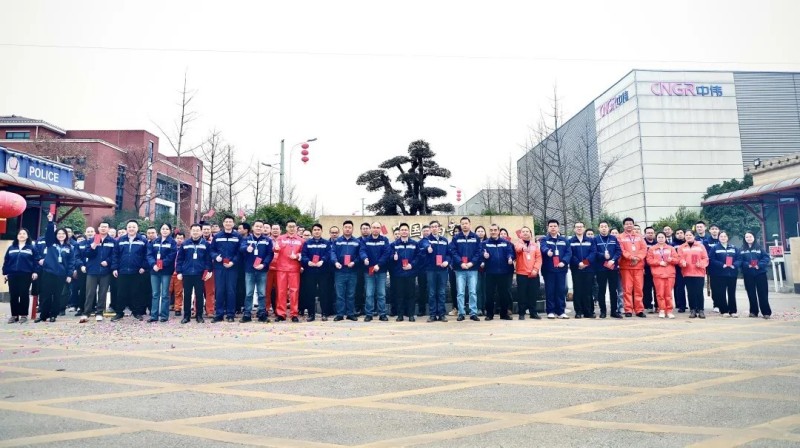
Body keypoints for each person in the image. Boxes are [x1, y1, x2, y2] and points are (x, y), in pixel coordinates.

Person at [111, 220, 149, 321]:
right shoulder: (120, 240)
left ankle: (136, 312)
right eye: (129, 227)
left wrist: (143, 267)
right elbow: (115, 255)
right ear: (126, 228)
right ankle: (119, 313)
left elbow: (146, 255)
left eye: (133, 227)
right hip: (122, 270)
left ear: (137, 228)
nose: (131, 229)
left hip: (137, 271)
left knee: (136, 292)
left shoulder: (143, 240)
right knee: (121, 293)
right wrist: (114, 268)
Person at [176, 224, 213, 323]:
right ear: (190, 231)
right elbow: (180, 259)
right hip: (187, 273)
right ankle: (186, 316)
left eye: (197, 230)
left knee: (199, 295)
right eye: (193, 230)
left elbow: (208, 260)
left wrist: (208, 270)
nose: (195, 232)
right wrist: (179, 271)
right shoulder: (185, 244)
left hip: (200, 274)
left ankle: (199, 316)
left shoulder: (206, 244)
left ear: (201, 232)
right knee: (187, 295)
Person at [240, 220, 273, 322]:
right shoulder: (247, 239)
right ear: (253, 227)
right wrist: (246, 249)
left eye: (260, 226)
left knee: (262, 293)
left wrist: (264, 264)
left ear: (263, 228)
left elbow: (270, 254)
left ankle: (262, 313)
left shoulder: (267, 240)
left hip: (262, 270)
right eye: (257, 226)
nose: (258, 228)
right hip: (249, 270)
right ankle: (247, 313)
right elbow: (241, 248)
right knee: (249, 293)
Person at [448, 217, 481, 322]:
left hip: (472, 269)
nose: (464, 225)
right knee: (460, 292)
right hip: (460, 269)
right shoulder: (456, 238)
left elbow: (478, 252)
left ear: (470, 224)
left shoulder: (475, 237)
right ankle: (461, 313)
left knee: (472, 292)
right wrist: (461, 263)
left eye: (466, 223)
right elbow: (453, 252)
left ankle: (473, 313)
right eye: (462, 224)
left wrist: (471, 263)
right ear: (460, 225)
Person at [210, 215, 241, 323]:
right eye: (226, 221)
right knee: (220, 290)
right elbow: (211, 250)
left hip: (232, 267)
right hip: (219, 267)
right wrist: (215, 257)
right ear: (223, 224)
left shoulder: (237, 236)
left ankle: (230, 314)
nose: (228, 223)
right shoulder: (217, 236)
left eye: (230, 221)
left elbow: (239, 252)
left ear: (233, 224)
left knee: (231, 291)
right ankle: (219, 314)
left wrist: (233, 262)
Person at [3, 227, 37, 323]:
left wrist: (35, 272)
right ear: (17, 236)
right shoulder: (11, 247)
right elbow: (6, 261)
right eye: (20, 234)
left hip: (26, 274)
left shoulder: (31, 248)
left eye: (24, 234)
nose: (22, 235)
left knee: (23, 294)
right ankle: (14, 315)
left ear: (27, 236)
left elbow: (35, 261)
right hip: (12, 274)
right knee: (13, 295)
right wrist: (5, 273)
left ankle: (23, 315)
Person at [481, 224, 515, 321]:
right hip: (490, 272)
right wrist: (484, 255)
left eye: (495, 230)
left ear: (499, 231)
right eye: (491, 230)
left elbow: (510, 252)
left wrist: (510, 258)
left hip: (504, 272)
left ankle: (504, 314)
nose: (493, 232)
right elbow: (480, 253)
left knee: (504, 294)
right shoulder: (485, 243)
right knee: (489, 294)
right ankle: (489, 314)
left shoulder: (506, 242)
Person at [273, 220, 304, 322]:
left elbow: (303, 253)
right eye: (289, 226)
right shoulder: (280, 238)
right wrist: (275, 248)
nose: (291, 228)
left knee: (294, 291)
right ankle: (281, 313)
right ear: (286, 227)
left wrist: (297, 256)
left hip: (294, 269)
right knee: (281, 291)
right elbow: (275, 250)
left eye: (293, 226)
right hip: (281, 268)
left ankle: (294, 313)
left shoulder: (301, 240)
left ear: (296, 228)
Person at [301, 223, 333, 321]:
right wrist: (308, 262)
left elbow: (328, 254)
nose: (316, 231)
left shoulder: (326, 243)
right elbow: (303, 255)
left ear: (321, 231)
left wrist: (322, 261)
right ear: (312, 231)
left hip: (323, 271)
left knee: (324, 292)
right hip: (310, 271)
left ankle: (324, 313)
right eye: (315, 230)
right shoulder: (307, 243)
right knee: (310, 293)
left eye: (318, 230)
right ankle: (311, 314)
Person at [540, 219, 571, 319]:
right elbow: (543, 248)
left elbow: (568, 252)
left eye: (555, 226)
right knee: (550, 291)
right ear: (548, 228)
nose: (553, 228)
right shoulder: (544, 239)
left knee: (561, 290)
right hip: (549, 270)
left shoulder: (564, 240)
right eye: (551, 226)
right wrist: (547, 252)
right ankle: (550, 311)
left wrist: (564, 262)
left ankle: (561, 311)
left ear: (558, 228)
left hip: (561, 269)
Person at [390, 223, 421, 322]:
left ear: (408, 231)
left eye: (406, 230)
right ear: (399, 232)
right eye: (402, 230)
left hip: (410, 273)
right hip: (398, 274)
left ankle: (411, 315)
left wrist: (411, 265)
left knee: (411, 295)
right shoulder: (394, 244)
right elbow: (389, 256)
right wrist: (393, 257)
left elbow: (418, 257)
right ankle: (400, 315)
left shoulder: (414, 244)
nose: (404, 231)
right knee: (399, 295)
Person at [360, 221, 390, 322]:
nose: (375, 229)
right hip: (369, 271)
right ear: (371, 229)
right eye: (374, 227)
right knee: (369, 293)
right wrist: (364, 258)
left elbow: (386, 253)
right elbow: (362, 251)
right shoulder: (365, 240)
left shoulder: (384, 240)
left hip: (381, 271)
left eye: (377, 227)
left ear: (380, 229)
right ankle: (369, 314)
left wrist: (379, 264)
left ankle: (382, 314)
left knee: (381, 293)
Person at [331, 220, 361, 321]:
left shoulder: (357, 242)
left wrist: (354, 262)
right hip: (340, 271)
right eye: (346, 227)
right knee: (340, 294)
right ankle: (340, 314)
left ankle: (350, 313)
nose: (348, 229)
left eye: (349, 227)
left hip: (352, 271)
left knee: (351, 293)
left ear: (352, 229)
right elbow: (332, 253)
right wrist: (335, 262)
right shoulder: (337, 241)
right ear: (343, 228)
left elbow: (360, 255)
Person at [147, 223, 177, 323]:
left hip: (166, 271)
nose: (164, 230)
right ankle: (154, 315)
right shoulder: (154, 241)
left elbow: (171, 256)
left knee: (165, 294)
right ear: (160, 230)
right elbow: (149, 254)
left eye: (167, 229)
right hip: (154, 270)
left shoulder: (172, 242)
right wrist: (153, 264)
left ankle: (164, 315)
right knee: (155, 293)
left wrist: (162, 264)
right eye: (163, 228)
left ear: (170, 231)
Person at [421, 220, 450, 322]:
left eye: (436, 226)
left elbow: (448, 253)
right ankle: (432, 314)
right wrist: (427, 249)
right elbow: (424, 247)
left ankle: (442, 314)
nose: (434, 228)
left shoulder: (444, 240)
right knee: (432, 292)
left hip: (443, 270)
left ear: (439, 228)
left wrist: (447, 261)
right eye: (432, 226)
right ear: (430, 228)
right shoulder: (427, 240)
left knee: (442, 292)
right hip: (431, 270)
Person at [618, 217, 647, 318]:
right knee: (627, 289)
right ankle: (628, 309)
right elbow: (621, 250)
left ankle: (639, 310)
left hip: (638, 266)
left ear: (633, 225)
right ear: (623, 226)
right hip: (626, 267)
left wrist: (638, 258)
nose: (629, 225)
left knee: (639, 289)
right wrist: (631, 257)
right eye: (627, 224)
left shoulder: (639, 237)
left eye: (631, 223)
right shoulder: (620, 237)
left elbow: (644, 249)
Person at [646, 232, 679, 319]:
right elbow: (649, 260)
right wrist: (659, 262)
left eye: (662, 237)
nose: (661, 239)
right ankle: (662, 310)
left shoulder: (671, 248)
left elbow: (677, 260)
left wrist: (671, 259)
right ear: (656, 238)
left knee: (668, 293)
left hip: (669, 273)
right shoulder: (652, 249)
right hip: (658, 273)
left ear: (665, 238)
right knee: (660, 293)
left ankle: (669, 310)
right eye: (659, 237)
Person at [739, 232, 771, 319]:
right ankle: (753, 311)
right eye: (746, 237)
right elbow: (740, 260)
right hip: (748, 274)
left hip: (760, 273)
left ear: (754, 237)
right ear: (744, 239)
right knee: (751, 293)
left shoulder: (760, 248)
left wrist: (759, 265)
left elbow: (766, 258)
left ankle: (766, 312)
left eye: (750, 236)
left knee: (763, 293)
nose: (748, 238)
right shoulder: (741, 249)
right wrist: (747, 265)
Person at [677, 230, 709, 319]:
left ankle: (701, 309)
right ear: (684, 237)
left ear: (694, 236)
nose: (688, 236)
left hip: (699, 273)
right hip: (687, 272)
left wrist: (701, 264)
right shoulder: (681, 247)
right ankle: (693, 310)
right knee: (690, 292)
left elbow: (705, 258)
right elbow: (679, 258)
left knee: (699, 292)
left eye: (690, 235)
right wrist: (682, 263)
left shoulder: (700, 246)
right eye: (686, 235)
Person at [568, 221, 597, 319]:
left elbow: (593, 253)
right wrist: (578, 263)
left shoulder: (590, 240)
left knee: (588, 290)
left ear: (584, 228)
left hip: (589, 269)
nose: (579, 228)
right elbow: (570, 254)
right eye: (577, 227)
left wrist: (585, 263)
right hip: (576, 269)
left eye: (581, 226)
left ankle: (589, 311)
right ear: (574, 229)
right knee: (578, 290)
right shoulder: (570, 241)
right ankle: (578, 311)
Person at [594, 221, 622, 319]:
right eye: (601, 226)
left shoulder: (613, 238)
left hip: (612, 267)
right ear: (599, 228)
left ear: (608, 228)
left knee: (613, 290)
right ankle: (603, 311)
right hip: (600, 268)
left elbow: (618, 251)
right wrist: (603, 255)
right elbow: (594, 252)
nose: (604, 228)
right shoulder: (595, 239)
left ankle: (614, 311)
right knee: (601, 290)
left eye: (605, 226)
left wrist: (613, 259)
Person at [709, 231, 739, 317]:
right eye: (721, 236)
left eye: (725, 236)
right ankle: (724, 311)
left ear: (727, 237)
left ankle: (733, 311)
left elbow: (739, 258)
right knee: (721, 292)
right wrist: (722, 265)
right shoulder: (715, 248)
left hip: (732, 274)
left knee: (732, 293)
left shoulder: (733, 247)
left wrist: (734, 265)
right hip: (720, 274)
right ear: (718, 238)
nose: (723, 238)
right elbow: (711, 259)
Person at [514, 226, 542, 320]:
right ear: (520, 234)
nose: (525, 233)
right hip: (522, 273)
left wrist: (535, 269)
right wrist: (523, 248)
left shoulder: (535, 245)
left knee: (533, 294)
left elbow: (538, 258)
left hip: (533, 273)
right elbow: (517, 249)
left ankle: (533, 312)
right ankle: (521, 313)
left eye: (527, 231)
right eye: (523, 231)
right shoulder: (518, 244)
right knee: (522, 294)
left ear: (530, 234)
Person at [201, 223, 217, 319]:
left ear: (211, 230)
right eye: (204, 229)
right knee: (198, 290)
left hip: (211, 268)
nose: (206, 231)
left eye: (208, 229)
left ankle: (210, 310)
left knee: (210, 290)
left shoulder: (215, 241)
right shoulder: (197, 240)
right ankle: (196, 310)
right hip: (199, 269)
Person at [235, 222, 251, 315]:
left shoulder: (251, 239)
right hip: (238, 265)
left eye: (240, 228)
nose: (238, 230)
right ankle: (237, 306)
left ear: (246, 230)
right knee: (238, 286)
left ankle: (246, 306)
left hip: (249, 265)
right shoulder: (237, 238)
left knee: (247, 287)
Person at [355, 222, 370, 316]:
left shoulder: (373, 240)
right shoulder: (356, 241)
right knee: (359, 288)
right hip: (359, 268)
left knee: (370, 289)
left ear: (370, 229)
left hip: (370, 267)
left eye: (367, 228)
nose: (365, 230)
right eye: (363, 228)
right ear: (360, 230)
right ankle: (358, 307)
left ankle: (370, 308)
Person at [266, 224, 281, 316]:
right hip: (268, 268)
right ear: (271, 230)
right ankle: (266, 309)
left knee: (279, 290)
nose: (275, 230)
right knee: (266, 290)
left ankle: (278, 309)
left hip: (280, 269)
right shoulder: (267, 240)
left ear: (280, 230)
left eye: (277, 229)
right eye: (273, 229)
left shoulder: (283, 240)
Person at [416, 224, 431, 316]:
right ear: (422, 232)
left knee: (432, 290)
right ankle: (422, 310)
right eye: (424, 231)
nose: (426, 232)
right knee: (422, 290)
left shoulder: (434, 241)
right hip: (421, 270)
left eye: (427, 231)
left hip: (432, 270)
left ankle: (433, 310)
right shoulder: (419, 243)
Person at [671, 229, 688, 312]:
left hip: (689, 268)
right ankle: (681, 305)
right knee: (679, 287)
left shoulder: (688, 243)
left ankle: (693, 305)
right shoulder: (673, 245)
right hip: (678, 268)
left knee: (690, 287)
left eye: (681, 233)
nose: (679, 234)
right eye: (677, 233)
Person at [642, 227, 657, 313]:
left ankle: (658, 305)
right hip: (646, 269)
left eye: (652, 233)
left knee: (657, 288)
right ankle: (648, 305)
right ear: (645, 234)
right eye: (648, 233)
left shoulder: (657, 243)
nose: (650, 234)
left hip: (656, 268)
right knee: (647, 288)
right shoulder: (642, 243)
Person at [170, 231, 185, 317]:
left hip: (179, 272)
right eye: (178, 238)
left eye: (181, 238)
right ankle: (166, 307)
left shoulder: (185, 248)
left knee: (178, 291)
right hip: (170, 271)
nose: (179, 240)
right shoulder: (171, 247)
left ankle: (178, 308)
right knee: (167, 291)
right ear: (175, 238)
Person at [474, 225, 488, 316]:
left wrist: (484, 261)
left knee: (486, 289)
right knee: (478, 289)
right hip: (476, 268)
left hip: (487, 269)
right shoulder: (473, 242)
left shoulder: (488, 242)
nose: (480, 233)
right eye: (478, 231)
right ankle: (479, 308)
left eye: (482, 231)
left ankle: (486, 308)